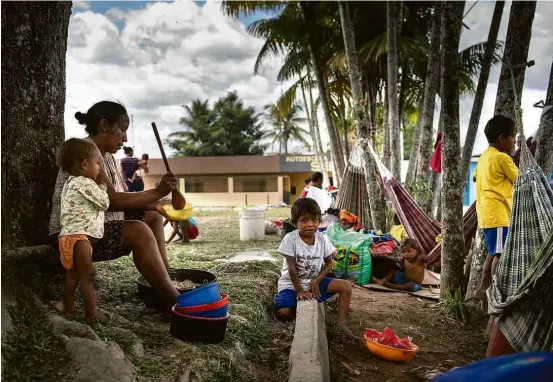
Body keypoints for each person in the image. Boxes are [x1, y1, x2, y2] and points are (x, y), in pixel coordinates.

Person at [49, 101, 180, 314]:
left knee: (153, 217)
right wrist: (157, 192)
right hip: (75, 236)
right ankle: (174, 300)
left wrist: (155, 203)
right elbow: (111, 201)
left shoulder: (107, 157)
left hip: (94, 226)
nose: (125, 138)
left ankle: (166, 280)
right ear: (104, 126)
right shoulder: (86, 154)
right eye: (123, 129)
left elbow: (119, 199)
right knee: (139, 230)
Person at [274, 198, 353, 333]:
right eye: (304, 220)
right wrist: (299, 290)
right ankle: (290, 302)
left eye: (314, 220)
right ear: (295, 223)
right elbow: (292, 268)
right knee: (284, 313)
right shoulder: (290, 239)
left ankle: (341, 324)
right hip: (291, 285)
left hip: (313, 284)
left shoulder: (322, 238)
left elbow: (329, 263)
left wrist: (317, 279)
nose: (310, 224)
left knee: (346, 286)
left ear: (319, 221)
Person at [57, 138, 110, 322]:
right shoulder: (85, 183)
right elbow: (104, 203)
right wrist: (102, 187)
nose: (98, 168)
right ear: (85, 164)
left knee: (72, 275)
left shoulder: (70, 183)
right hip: (79, 238)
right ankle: (91, 313)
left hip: (65, 238)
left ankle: (69, 310)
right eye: (97, 163)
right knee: (88, 276)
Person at [473, 115, 518, 311]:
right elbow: (521, 179)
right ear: (502, 138)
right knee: (499, 253)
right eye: (513, 138)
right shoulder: (502, 158)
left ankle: (483, 287)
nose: (515, 142)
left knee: (493, 252)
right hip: (499, 213)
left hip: (485, 214)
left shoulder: (484, 157)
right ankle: (494, 287)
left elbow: (475, 177)